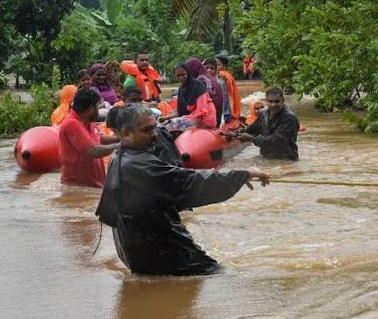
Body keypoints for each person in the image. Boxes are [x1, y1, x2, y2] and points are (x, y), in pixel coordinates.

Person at [95, 104, 270, 275]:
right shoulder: (138, 165)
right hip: (159, 252)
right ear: (125, 133)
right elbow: (190, 183)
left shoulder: (119, 156)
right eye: (147, 130)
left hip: (138, 250)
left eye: (154, 128)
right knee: (224, 275)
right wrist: (242, 175)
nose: (155, 135)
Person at [58, 88, 119, 188]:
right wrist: (120, 145)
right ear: (91, 109)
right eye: (98, 107)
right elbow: (92, 150)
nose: (99, 111)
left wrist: (119, 138)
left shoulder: (88, 121)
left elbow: (98, 139)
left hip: (92, 185)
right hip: (77, 188)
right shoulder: (71, 124)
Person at [238, 87, 299, 160]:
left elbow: (276, 141)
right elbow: (252, 129)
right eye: (271, 101)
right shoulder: (264, 114)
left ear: (283, 101)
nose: (273, 104)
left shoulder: (289, 117)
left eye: (277, 101)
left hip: (286, 160)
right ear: (267, 102)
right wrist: (237, 133)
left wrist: (251, 138)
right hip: (266, 157)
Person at [162, 63, 216, 131]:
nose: (181, 78)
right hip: (192, 117)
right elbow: (181, 111)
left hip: (206, 117)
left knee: (174, 125)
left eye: (183, 75)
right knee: (166, 126)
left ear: (188, 73)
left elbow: (202, 110)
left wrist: (193, 126)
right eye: (178, 76)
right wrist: (166, 118)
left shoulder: (198, 85)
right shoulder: (181, 90)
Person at [185, 58, 223, 128]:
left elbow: (200, 108)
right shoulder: (213, 81)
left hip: (207, 120)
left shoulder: (200, 81)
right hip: (217, 120)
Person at [203, 57, 231, 125]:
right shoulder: (200, 82)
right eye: (207, 68)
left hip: (218, 114)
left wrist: (227, 116)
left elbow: (225, 100)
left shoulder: (220, 83)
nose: (209, 70)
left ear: (216, 70)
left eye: (212, 68)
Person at [215, 54, 242, 125]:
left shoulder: (223, 77)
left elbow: (225, 97)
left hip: (226, 111)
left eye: (218, 65)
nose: (215, 67)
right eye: (214, 64)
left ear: (225, 67)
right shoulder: (225, 76)